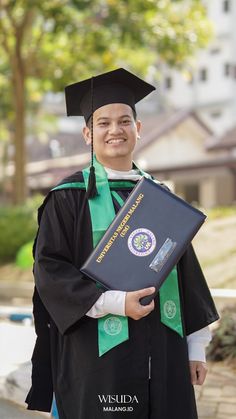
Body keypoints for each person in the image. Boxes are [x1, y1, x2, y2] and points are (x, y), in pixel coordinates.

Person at [26, 68, 219, 419]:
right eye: (103, 123)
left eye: (124, 121)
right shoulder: (68, 198)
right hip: (99, 360)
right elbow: (49, 271)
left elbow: (185, 271)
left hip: (165, 355)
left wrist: (196, 347)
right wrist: (115, 302)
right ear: (88, 133)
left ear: (138, 129)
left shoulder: (159, 197)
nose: (115, 130)